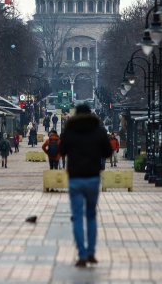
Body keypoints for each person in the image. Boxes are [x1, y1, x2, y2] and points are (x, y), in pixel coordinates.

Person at [59, 104, 112, 268]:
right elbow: (108, 152)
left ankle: (81, 254)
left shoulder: (70, 130)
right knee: (90, 215)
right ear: (90, 113)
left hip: (75, 178)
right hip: (92, 178)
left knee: (77, 216)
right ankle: (91, 253)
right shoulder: (98, 130)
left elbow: (62, 150)